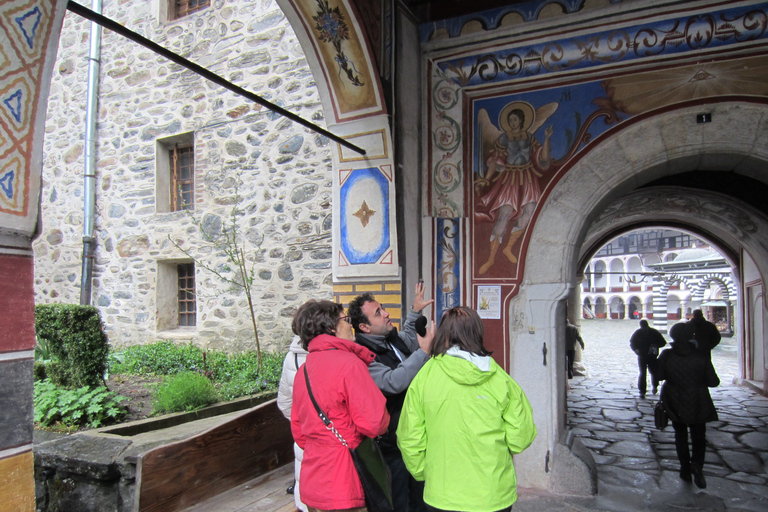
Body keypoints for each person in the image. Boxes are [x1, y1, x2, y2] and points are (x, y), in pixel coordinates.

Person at [397, 307, 537, 512]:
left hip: (442, 494)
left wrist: (425, 473)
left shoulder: (424, 378)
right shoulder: (500, 379)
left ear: (443, 333)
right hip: (492, 494)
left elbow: (409, 437)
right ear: (477, 333)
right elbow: (520, 437)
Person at [290, 300, 390, 512]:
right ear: (331, 327)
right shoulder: (350, 364)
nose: (350, 324)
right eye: (346, 319)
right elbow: (374, 423)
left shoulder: (304, 371)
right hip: (346, 481)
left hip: (314, 481)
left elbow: (299, 433)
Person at [348, 282, 434, 512]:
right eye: (378, 313)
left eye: (383, 308)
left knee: (421, 499)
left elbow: (408, 336)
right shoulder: (364, 356)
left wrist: (415, 311)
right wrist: (424, 353)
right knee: (397, 503)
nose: (386, 313)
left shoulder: (390, 337)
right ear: (365, 328)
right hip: (392, 446)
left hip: (414, 438)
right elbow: (393, 382)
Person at [474, 102, 555, 274]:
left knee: (530, 211)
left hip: (528, 178)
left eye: (515, 119)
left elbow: (543, 158)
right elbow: (496, 160)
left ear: (522, 121)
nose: (512, 122)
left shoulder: (529, 138)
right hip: (510, 179)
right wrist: (487, 179)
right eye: (510, 120)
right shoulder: (504, 138)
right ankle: (490, 258)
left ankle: (509, 247)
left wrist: (547, 138)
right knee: (504, 215)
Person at [656, 322, 719, 489]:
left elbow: (659, 375)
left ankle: (684, 469)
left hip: (675, 400)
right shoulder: (701, 356)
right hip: (698, 400)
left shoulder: (667, 355)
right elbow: (714, 382)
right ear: (692, 336)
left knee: (680, 435)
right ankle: (697, 464)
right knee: (699, 436)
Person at [277, 332, 309, 511]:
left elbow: (284, 402)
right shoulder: (330, 358)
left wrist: (301, 423)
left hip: (303, 441)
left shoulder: (291, 357)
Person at [629, 319, 667, 398]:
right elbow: (632, 343)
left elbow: (663, 342)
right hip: (642, 355)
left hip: (652, 355)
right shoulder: (638, 333)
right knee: (643, 373)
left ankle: (655, 386)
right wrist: (636, 350)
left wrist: (656, 345)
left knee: (653, 372)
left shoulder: (654, 332)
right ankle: (642, 391)